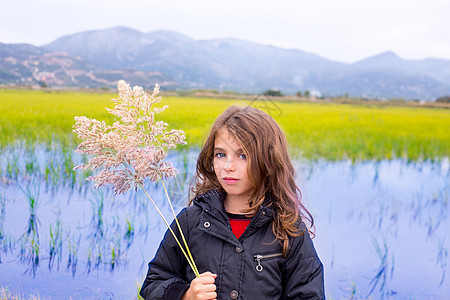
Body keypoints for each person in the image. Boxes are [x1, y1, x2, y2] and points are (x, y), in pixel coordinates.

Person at [140, 105, 324, 300]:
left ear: (268, 161)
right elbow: (153, 283)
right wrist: (186, 295)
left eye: (242, 155)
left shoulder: (288, 229)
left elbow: (309, 295)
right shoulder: (190, 221)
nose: (228, 166)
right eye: (221, 154)